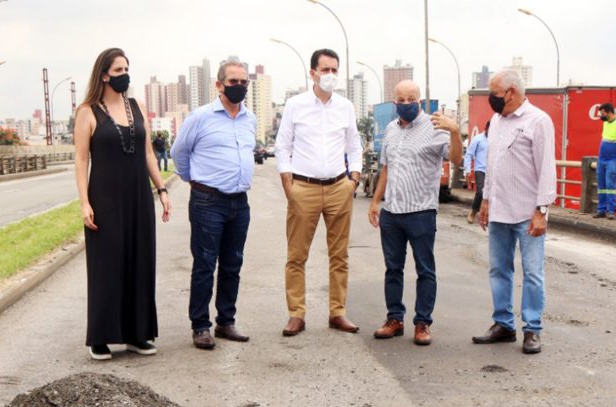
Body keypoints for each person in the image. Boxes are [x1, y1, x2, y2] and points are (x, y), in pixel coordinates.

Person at [73, 48, 172, 360]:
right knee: (107, 265)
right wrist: (84, 202)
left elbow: (147, 155)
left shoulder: (137, 106)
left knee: (141, 262)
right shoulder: (87, 111)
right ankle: (101, 336)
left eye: (127, 68)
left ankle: (137, 334)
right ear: (104, 74)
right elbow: (81, 159)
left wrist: (162, 190)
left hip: (138, 196)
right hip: (104, 197)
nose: (124, 75)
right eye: (118, 70)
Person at [275, 48, 363, 337]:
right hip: (304, 187)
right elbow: (283, 145)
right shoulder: (295, 105)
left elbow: (354, 145)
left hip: (339, 186)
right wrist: (289, 183)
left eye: (335, 70)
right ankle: (296, 314)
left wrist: (354, 177)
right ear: (312, 73)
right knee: (297, 255)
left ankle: (337, 312)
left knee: (339, 255)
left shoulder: (345, 107)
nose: (330, 75)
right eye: (325, 70)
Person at [170, 59, 257, 350]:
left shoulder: (250, 119)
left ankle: (226, 321)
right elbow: (179, 152)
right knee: (205, 264)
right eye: (233, 82)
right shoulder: (201, 117)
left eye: (243, 82)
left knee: (233, 264)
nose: (239, 87)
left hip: (239, 203)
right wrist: (192, 180)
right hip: (208, 201)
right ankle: (200, 326)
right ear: (219, 85)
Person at [368, 80, 462, 346]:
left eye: (411, 99)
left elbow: (455, 159)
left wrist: (455, 131)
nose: (406, 104)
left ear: (419, 101)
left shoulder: (436, 127)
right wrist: (376, 201)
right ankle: (394, 319)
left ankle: (423, 323)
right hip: (392, 211)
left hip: (421, 211)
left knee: (425, 270)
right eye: (401, 99)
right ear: (395, 101)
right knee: (393, 269)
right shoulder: (390, 129)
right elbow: (385, 168)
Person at [472, 69, 556, 354]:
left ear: (510, 92)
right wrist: (486, 200)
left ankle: (532, 329)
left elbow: (546, 168)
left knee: (532, 272)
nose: (490, 99)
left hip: (527, 211)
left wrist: (541, 211)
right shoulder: (496, 121)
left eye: (493, 93)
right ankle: (503, 324)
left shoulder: (538, 121)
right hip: (499, 209)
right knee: (499, 270)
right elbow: (492, 164)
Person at [465, 120, 490, 224]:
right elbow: (469, 154)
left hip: (492, 171)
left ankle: (486, 216)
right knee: (481, 191)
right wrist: (467, 170)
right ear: (486, 128)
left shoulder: (496, 139)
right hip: (480, 169)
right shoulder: (478, 139)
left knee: (490, 194)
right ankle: (473, 212)